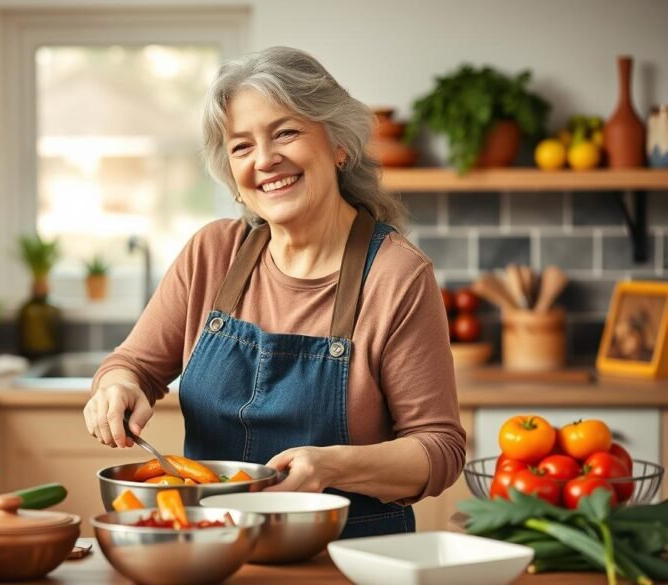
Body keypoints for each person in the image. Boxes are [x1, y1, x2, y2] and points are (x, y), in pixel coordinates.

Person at [82, 46, 465, 537]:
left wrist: (332, 467)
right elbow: (132, 365)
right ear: (233, 175)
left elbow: (440, 449)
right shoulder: (213, 253)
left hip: (346, 556)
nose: (265, 160)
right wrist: (117, 389)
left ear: (338, 145)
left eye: (286, 132)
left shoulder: (396, 276)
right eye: (242, 146)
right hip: (211, 549)